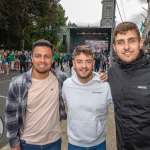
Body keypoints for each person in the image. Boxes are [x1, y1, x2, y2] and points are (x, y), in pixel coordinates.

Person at [5, 39, 67, 150]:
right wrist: (14, 143)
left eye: (47, 56)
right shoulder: (17, 83)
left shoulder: (60, 78)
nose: (42, 60)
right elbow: (10, 115)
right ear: (32, 58)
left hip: (54, 142)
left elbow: (80, 82)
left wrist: (98, 77)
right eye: (38, 56)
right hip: (27, 143)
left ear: (52, 58)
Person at [108, 22, 150, 150]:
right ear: (114, 47)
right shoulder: (112, 72)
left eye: (131, 41)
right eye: (120, 42)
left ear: (141, 43)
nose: (126, 47)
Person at [62, 45, 112, 150]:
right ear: (73, 63)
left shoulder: (104, 85)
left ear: (93, 63)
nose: (84, 66)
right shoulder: (66, 85)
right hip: (74, 144)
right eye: (79, 61)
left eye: (88, 61)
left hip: (99, 143)